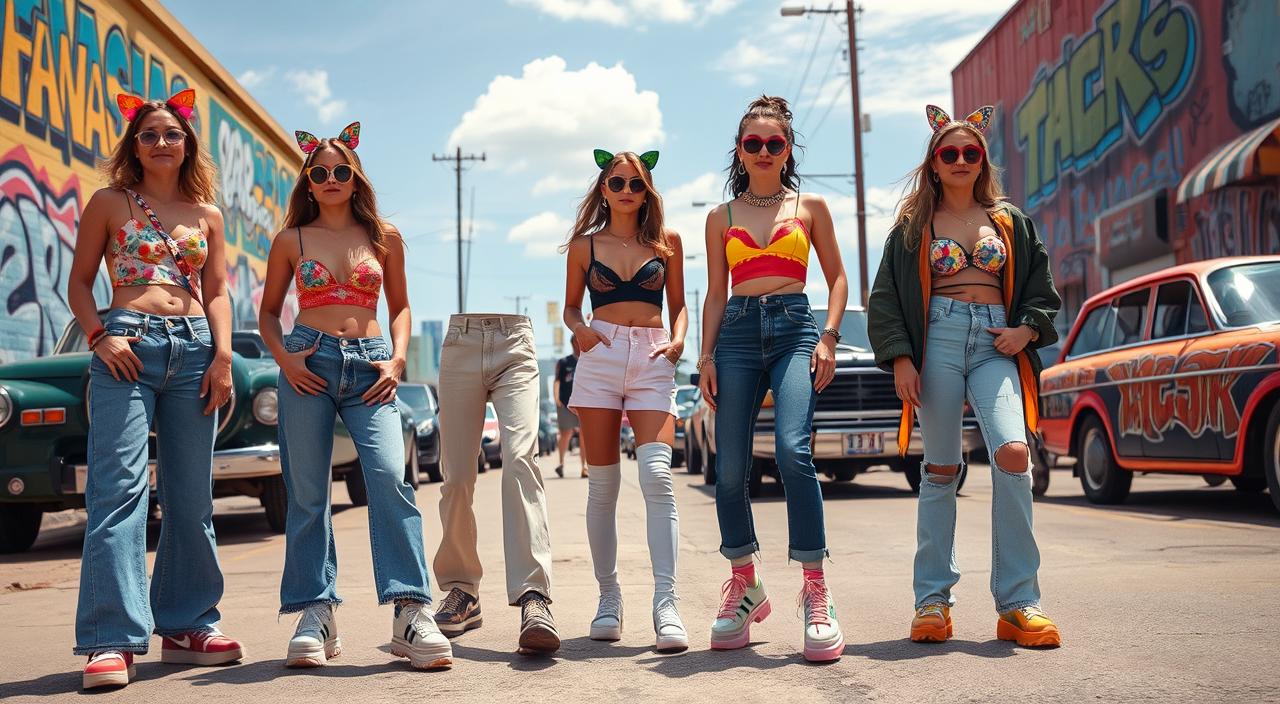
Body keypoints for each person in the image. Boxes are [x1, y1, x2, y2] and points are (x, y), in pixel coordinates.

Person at [66, 89, 244, 690]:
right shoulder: (110, 202)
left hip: (195, 351)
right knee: (119, 492)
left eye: (172, 133)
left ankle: (188, 623)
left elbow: (217, 291)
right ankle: (112, 640)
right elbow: (80, 283)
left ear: (188, 142)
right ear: (133, 144)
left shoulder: (208, 214)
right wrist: (99, 338)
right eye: (150, 134)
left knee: (191, 498)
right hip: (128, 348)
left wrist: (223, 355)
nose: (162, 142)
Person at [867, 104, 1062, 648]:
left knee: (1014, 452)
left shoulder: (1010, 220)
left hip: (998, 342)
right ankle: (933, 601)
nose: (959, 160)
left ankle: (1019, 602)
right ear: (933, 163)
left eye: (969, 153)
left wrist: (1026, 330)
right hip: (939, 343)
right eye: (948, 153)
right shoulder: (913, 227)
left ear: (982, 162)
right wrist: (902, 357)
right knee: (940, 468)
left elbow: (1042, 290)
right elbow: (885, 298)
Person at [258, 123, 452, 670]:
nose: (332, 179)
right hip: (308, 362)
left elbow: (402, 306)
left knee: (391, 479)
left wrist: (396, 359)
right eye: (320, 173)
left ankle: (411, 611)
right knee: (307, 491)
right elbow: (269, 312)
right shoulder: (290, 240)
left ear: (355, 176)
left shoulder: (383, 236)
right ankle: (315, 612)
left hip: (371, 367)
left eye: (342, 170)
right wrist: (284, 358)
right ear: (309, 182)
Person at [696, 96, 849, 662]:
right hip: (734, 333)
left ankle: (815, 589)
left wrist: (829, 337)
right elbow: (715, 292)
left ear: (788, 149)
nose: (763, 151)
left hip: (794, 330)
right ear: (740, 150)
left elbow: (837, 279)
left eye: (774, 143)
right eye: (752, 143)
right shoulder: (721, 216)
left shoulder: (809, 207)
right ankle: (745, 584)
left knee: (791, 450)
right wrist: (705, 356)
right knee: (729, 465)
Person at [562, 149, 689, 652]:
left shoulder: (667, 242)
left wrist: (679, 342)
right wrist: (579, 331)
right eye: (617, 183)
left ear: (647, 190)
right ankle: (608, 597)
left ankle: (667, 604)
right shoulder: (584, 246)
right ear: (604, 188)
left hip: (653, 356)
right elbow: (572, 307)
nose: (627, 192)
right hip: (602, 354)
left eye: (636, 184)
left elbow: (679, 306)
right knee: (604, 487)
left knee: (657, 476)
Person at [553, 338, 587, 478]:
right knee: (566, 434)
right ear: (572, 344)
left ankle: (584, 467)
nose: (578, 345)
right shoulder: (564, 362)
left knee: (584, 437)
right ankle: (561, 464)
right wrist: (556, 399)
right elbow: (557, 381)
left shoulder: (588, 361)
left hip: (584, 404)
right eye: (576, 343)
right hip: (565, 404)